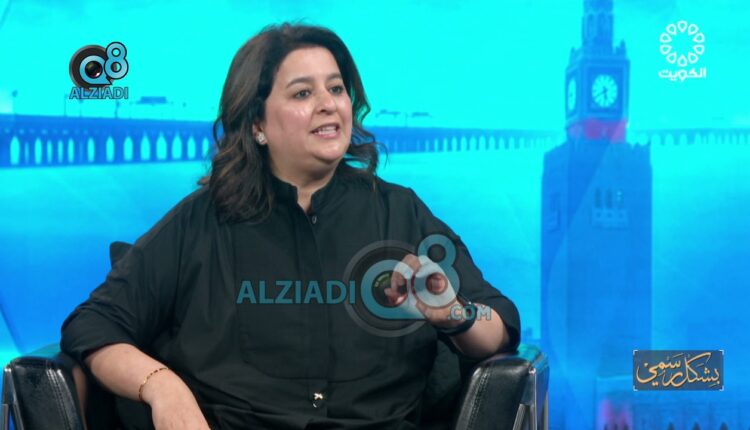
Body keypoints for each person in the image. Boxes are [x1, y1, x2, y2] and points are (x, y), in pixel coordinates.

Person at [60, 23, 521, 430]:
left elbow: (499, 325)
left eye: (336, 89)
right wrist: (163, 388)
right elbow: (92, 326)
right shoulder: (201, 221)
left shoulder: (400, 212)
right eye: (303, 94)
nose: (328, 105)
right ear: (257, 124)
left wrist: (454, 313)